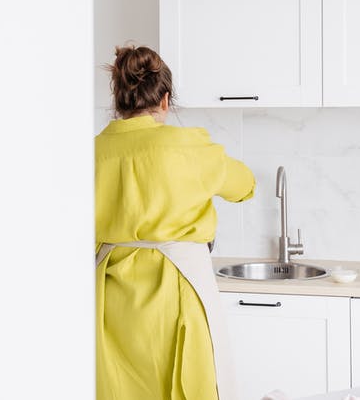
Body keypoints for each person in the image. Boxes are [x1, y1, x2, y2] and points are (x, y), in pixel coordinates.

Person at [95, 45, 255, 400]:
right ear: (165, 100)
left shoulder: (92, 151)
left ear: (119, 101)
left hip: (109, 294)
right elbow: (244, 186)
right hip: (178, 284)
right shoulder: (190, 147)